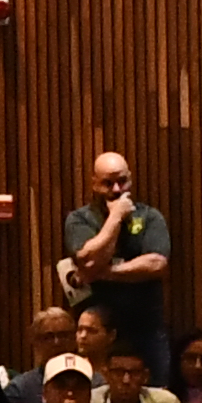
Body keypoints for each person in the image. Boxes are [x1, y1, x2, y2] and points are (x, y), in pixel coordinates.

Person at [56, 151, 174, 378]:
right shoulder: (80, 219)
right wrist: (116, 218)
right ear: (93, 183)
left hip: (146, 328)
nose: (117, 190)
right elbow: (86, 258)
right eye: (107, 183)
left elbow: (157, 263)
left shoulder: (150, 216)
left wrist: (105, 272)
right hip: (96, 332)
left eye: (122, 181)